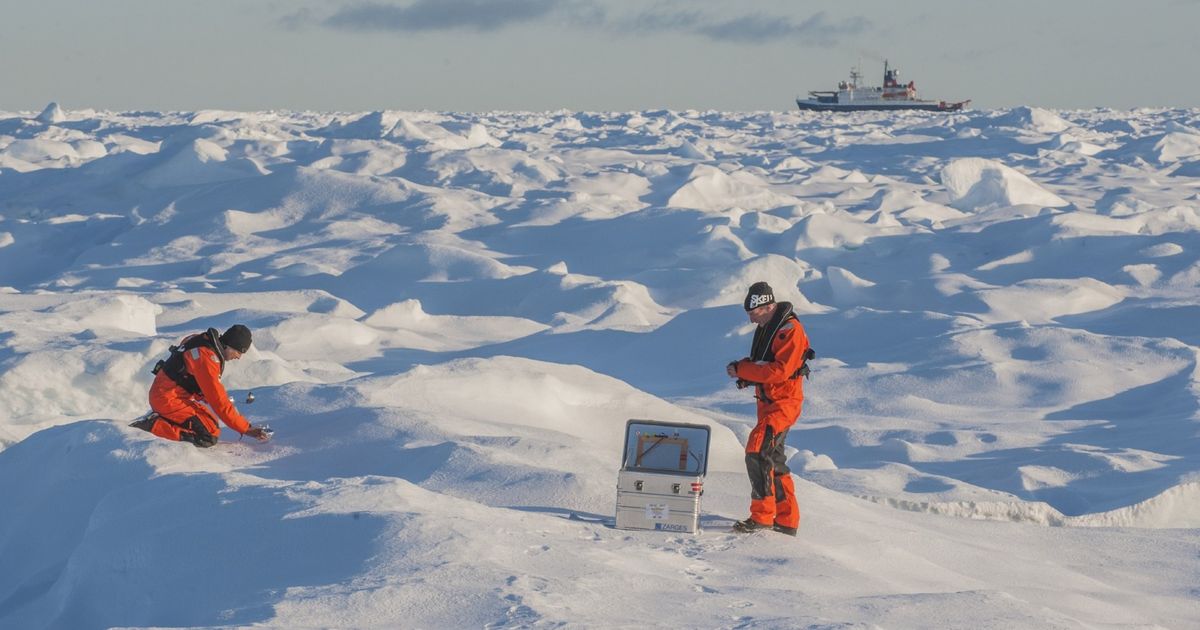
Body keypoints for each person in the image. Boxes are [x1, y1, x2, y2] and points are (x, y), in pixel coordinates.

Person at [726, 282, 812, 536]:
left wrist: (743, 370)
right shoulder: (769, 327)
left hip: (783, 405)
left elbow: (780, 371)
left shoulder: (790, 330)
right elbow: (765, 363)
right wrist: (745, 375)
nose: (752, 319)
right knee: (774, 461)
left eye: (755, 313)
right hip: (768, 404)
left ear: (769, 306)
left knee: (757, 449)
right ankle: (787, 521)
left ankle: (762, 516)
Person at [131, 324, 270, 447]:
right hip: (168, 398)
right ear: (229, 345)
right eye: (239, 351)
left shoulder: (201, 340)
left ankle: (160, 419)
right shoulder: (207, 358)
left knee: (211, 423)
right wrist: (246, 429)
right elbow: (218, 401)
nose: (239, 357)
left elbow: (190, 376)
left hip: (169, 394)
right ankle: (151, 426)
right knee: (208, 435)